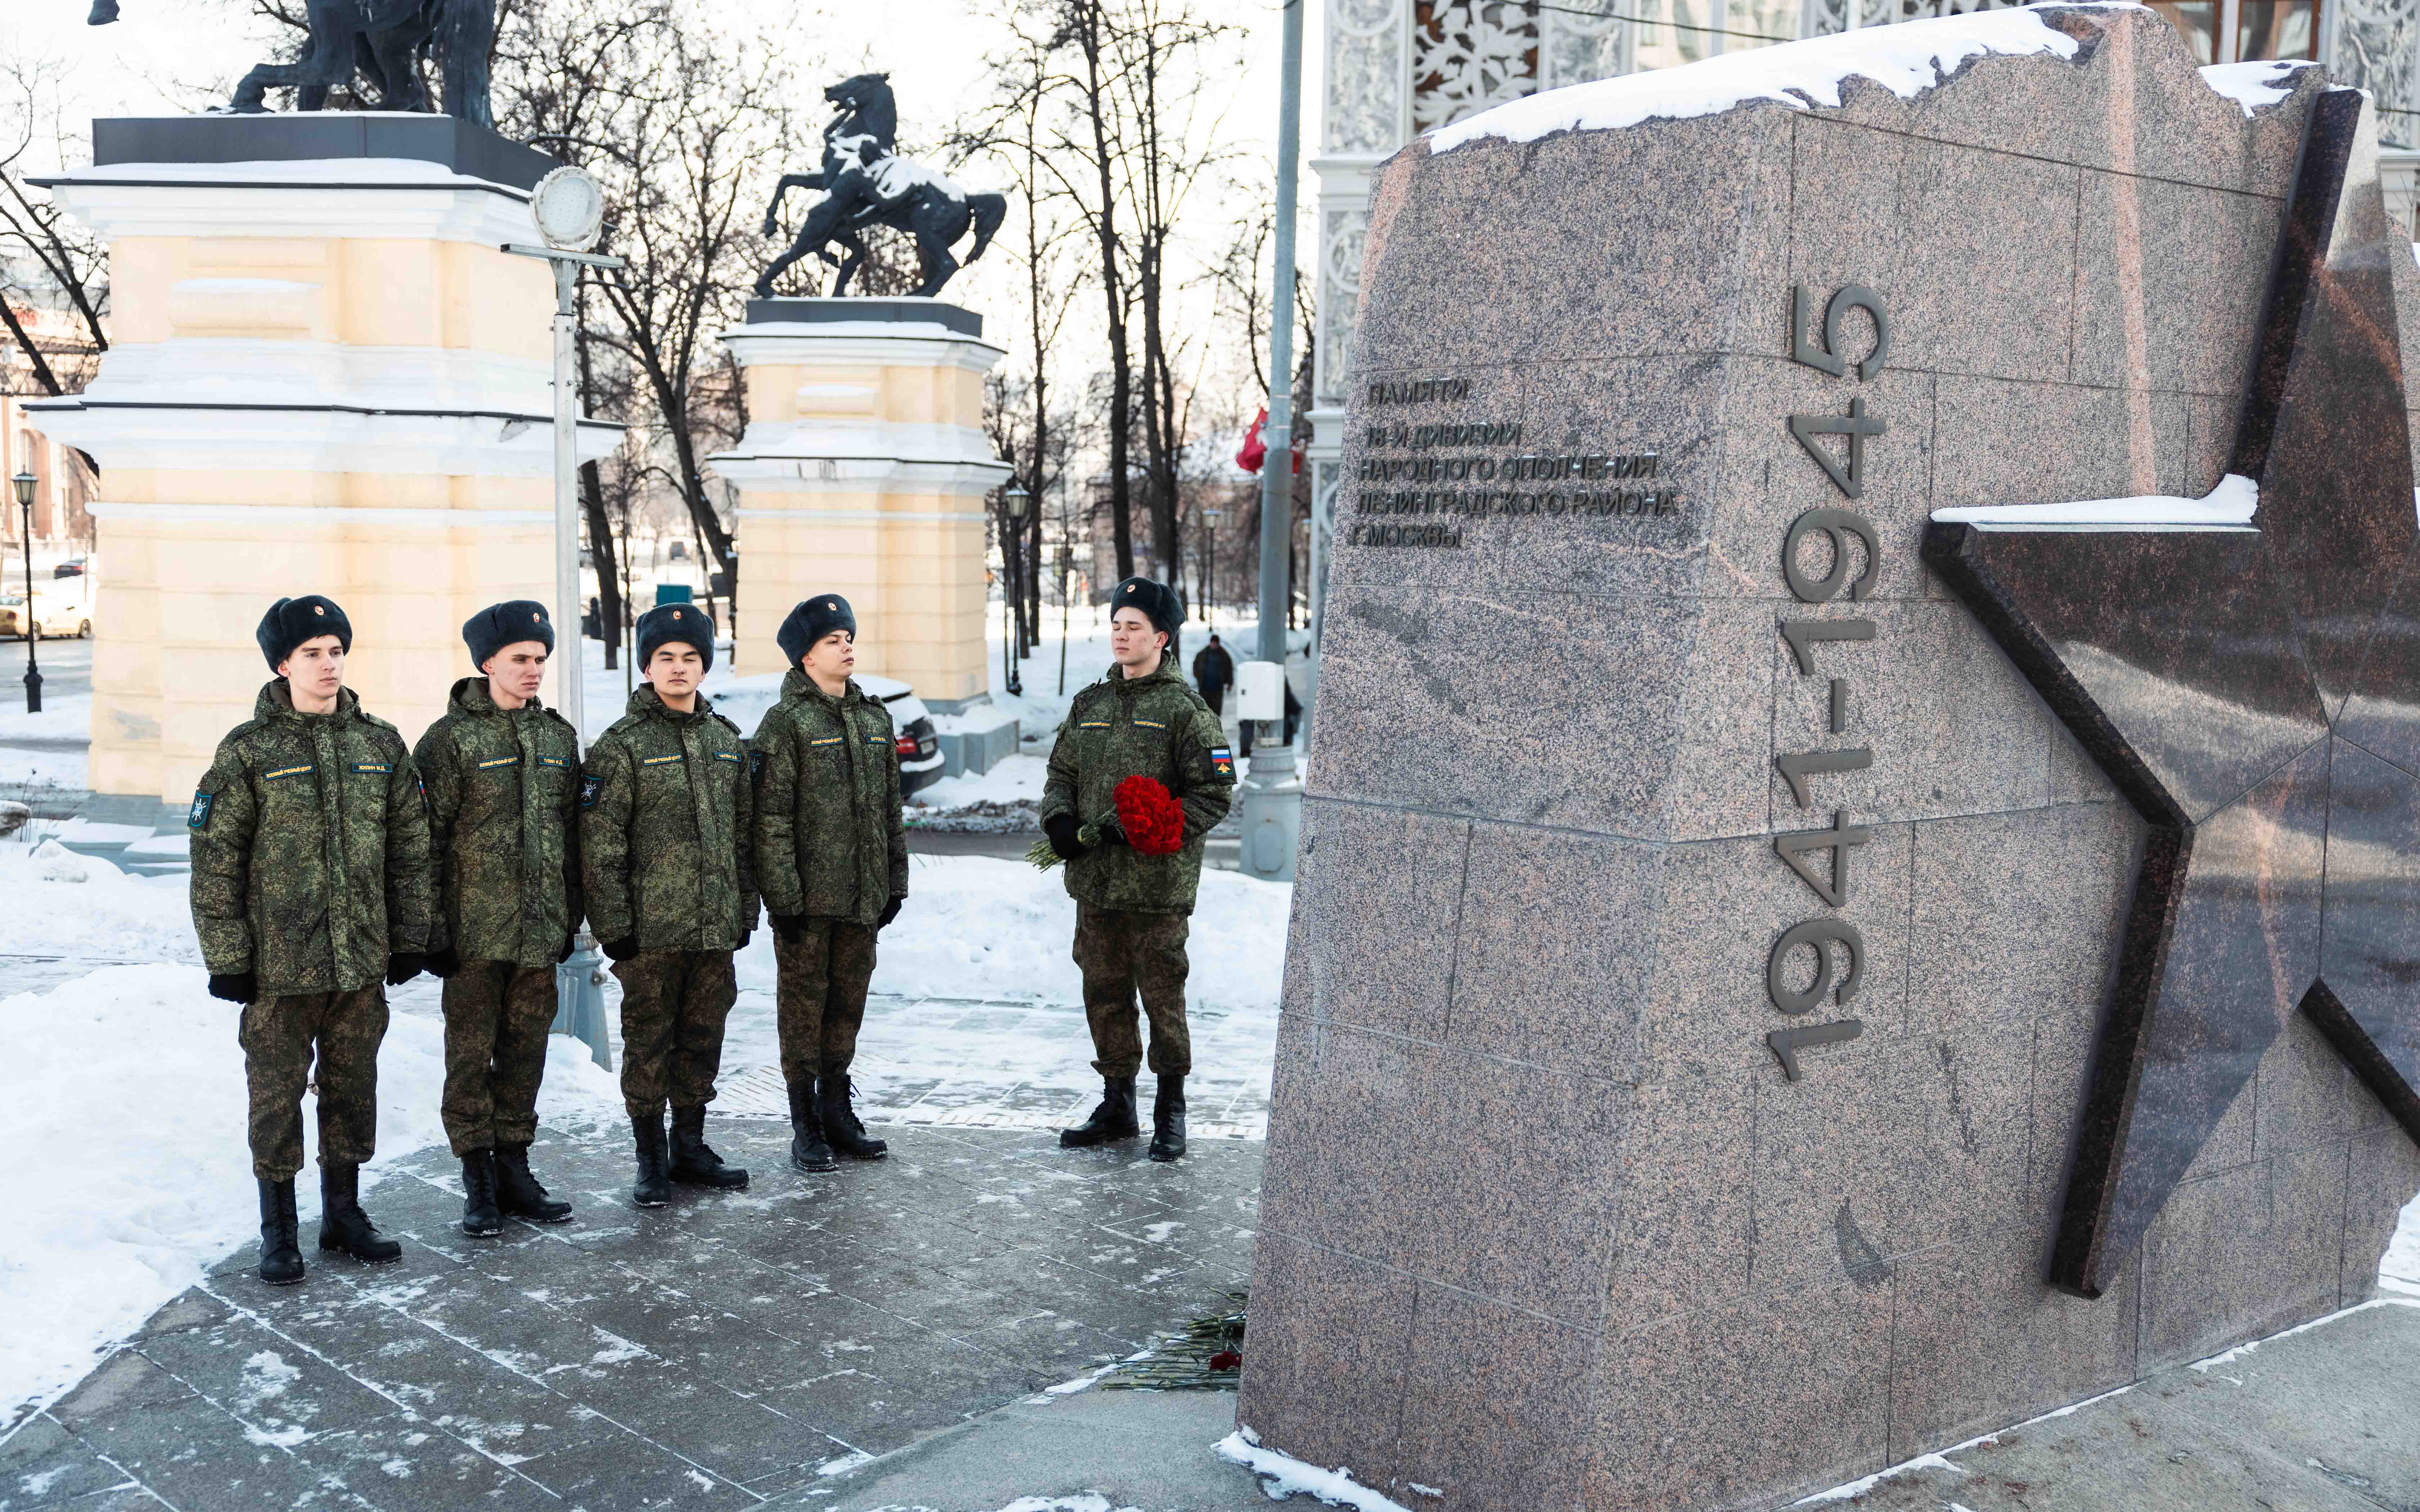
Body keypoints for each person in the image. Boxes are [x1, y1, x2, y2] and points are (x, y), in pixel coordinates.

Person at [189, 595, 434, 1284]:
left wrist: (410, 938)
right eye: (311, 654)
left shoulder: (379, 743)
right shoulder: (248, 750)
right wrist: (230, 959)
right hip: (278, 968)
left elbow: (411, 850)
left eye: (335, 652)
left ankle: (344, 1216)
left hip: (359, 962)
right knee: (276, 1097)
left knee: (353, 1088)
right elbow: (216, 861)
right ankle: (279, 1228)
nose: (328, 666)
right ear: (281, 664)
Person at [1040, 576, 1237, 1162]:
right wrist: (1059, 821)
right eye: (1117, 625)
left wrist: (1157, 827)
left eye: (1134, 627)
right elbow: (1061, 774)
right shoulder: (1091, 705)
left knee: (1162, 999)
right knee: (1103, 995)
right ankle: (1117, 1103)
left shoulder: (1186, 711)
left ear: (1162, 637)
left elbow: (1216, 792)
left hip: (1157, 889)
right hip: (1096, 885)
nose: (1122, 636)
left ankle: (1170, 1109)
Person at [582, 604, 759, 1207]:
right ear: (647, 666)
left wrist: (744, 913)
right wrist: (615, 929)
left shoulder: (725, 741)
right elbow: (600, 846)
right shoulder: (621, 747)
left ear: (704, 665)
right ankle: (650, 1159)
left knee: (703, 1036)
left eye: (690, 658)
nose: (679, 668)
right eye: (666, 659)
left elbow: (744, 838)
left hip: (713, 930)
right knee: (649, 1042)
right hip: (649, 935)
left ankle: (690, 1146)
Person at [414, 601, 582, 1237]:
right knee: (470, 1059)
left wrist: (570, 915)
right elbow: (423, 842)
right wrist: (431, 931)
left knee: (525, 1056)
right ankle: (478, 1183)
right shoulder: (449, 741)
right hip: (473, 938)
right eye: (521, 660)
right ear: (488, 664)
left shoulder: (556, 738)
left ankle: (516, 1168)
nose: (534, 670)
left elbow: (571, 836)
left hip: (537, 935)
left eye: (541, 660)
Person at [749, 594, 907, 1173]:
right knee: (803, 1010)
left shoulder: (873, 717)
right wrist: (784, 900)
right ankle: (806, 1123)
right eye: (832, 641)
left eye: (848, 637)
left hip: (862, 900)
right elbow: (769, 819)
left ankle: (838, 1110)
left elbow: (891, 807)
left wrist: (895, 882)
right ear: (805, 657)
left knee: (847, 1006)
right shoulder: (786, 723)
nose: (846, 647)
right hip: (808, 905)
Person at [1190, 633, 1233, 715]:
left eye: (1216, 643)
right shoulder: (1203, 654)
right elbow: (1196, 665)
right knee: (1203, 708)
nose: (1214, 645)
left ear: (1218, 644)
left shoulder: (1224, 656)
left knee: (1216, 710)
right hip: (1205, 687)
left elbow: (1229, 670)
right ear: (1210, 643)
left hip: (1217, 687)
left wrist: (1230, 684)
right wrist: (1198, 676)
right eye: (1213, 643)